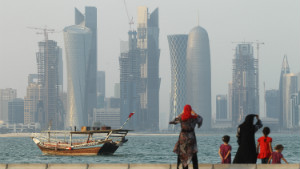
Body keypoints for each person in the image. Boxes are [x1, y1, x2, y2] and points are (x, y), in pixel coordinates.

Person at [169, 104, 203, 169]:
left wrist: (181, 113)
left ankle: (185, 168)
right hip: (191, 138)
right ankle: (195, 167)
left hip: (183, 139)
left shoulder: (181, 118)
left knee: (184, 155)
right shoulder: (194, 118)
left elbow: (173, 121)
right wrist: (194, 113)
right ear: (190, 110)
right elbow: (200, 119)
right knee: (193, 153)